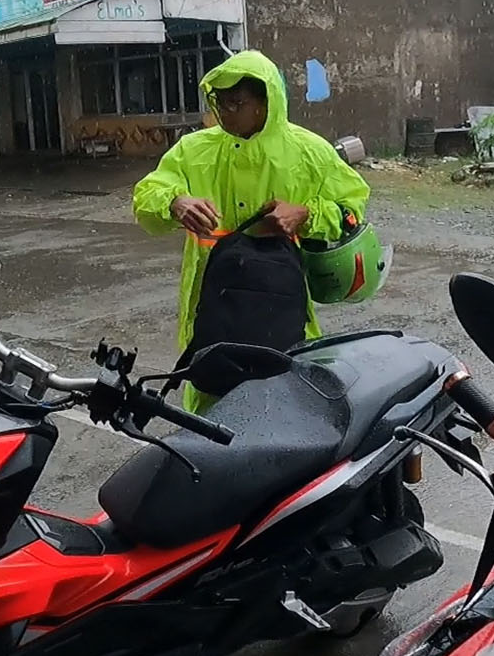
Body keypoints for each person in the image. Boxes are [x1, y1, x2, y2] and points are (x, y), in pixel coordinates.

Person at [132, 49, 372, 414]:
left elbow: (350, 211)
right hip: (213, 309)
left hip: (285, 312)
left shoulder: (309, 152)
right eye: (219, 103)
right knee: (211, 416)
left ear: (265, 103)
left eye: (235, 103)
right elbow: (146, 196)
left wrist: (307, 214)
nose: (224, 112)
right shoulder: (194, 151)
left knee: (288, 411)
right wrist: (174, 202)